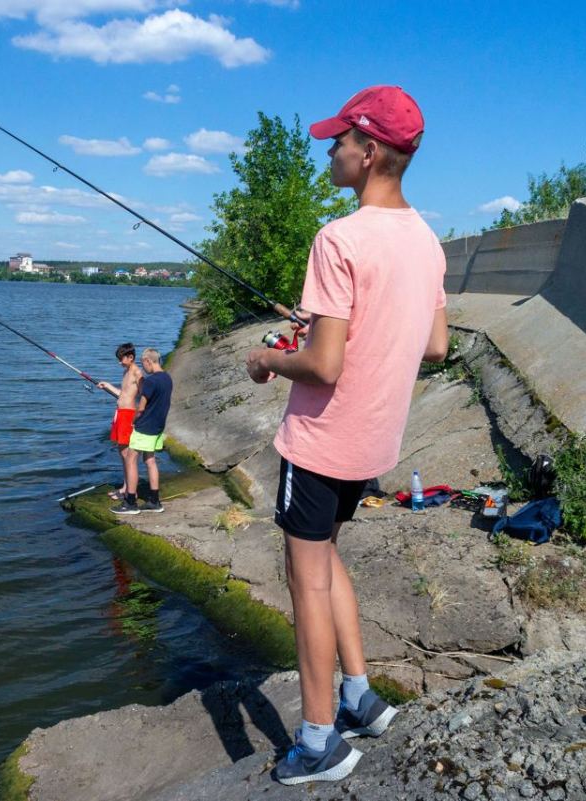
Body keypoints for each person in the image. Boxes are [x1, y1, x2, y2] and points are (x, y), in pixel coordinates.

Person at [244, 86, 449, 786]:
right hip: (371, 446)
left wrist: (271, 356)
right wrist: (334, 323)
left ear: (368, 152)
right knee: (327, 558)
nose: (329, 150)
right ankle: (360, 694)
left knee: (306, 584)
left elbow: (324, 366)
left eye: (339, 141)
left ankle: (319, 740)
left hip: (321, 441)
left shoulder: (339, 237)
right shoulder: (426, 239)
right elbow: (435, 344)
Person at [120, 348, 172, 514]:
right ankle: (154, 501)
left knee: (130, 458)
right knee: (150, 460)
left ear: (149, 361)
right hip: (158, 426)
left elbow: (141, 408)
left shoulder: (151, 381)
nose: (143, 368)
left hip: (145, 426)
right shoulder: (167, 378)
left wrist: (133, 420)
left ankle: (130, 503)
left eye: (144, 364)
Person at [97, 343, 141, 512]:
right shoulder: (126, 372)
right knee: (121, 452)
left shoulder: (137, 373)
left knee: (127, 454)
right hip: (119, 413)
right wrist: (107, 386)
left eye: (121, 359)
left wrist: (139, 416)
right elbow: (123, 395)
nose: (119, 363)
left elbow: (143, 395)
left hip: (128, 416)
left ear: (130, 357)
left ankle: (132, 492)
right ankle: (125, 487)